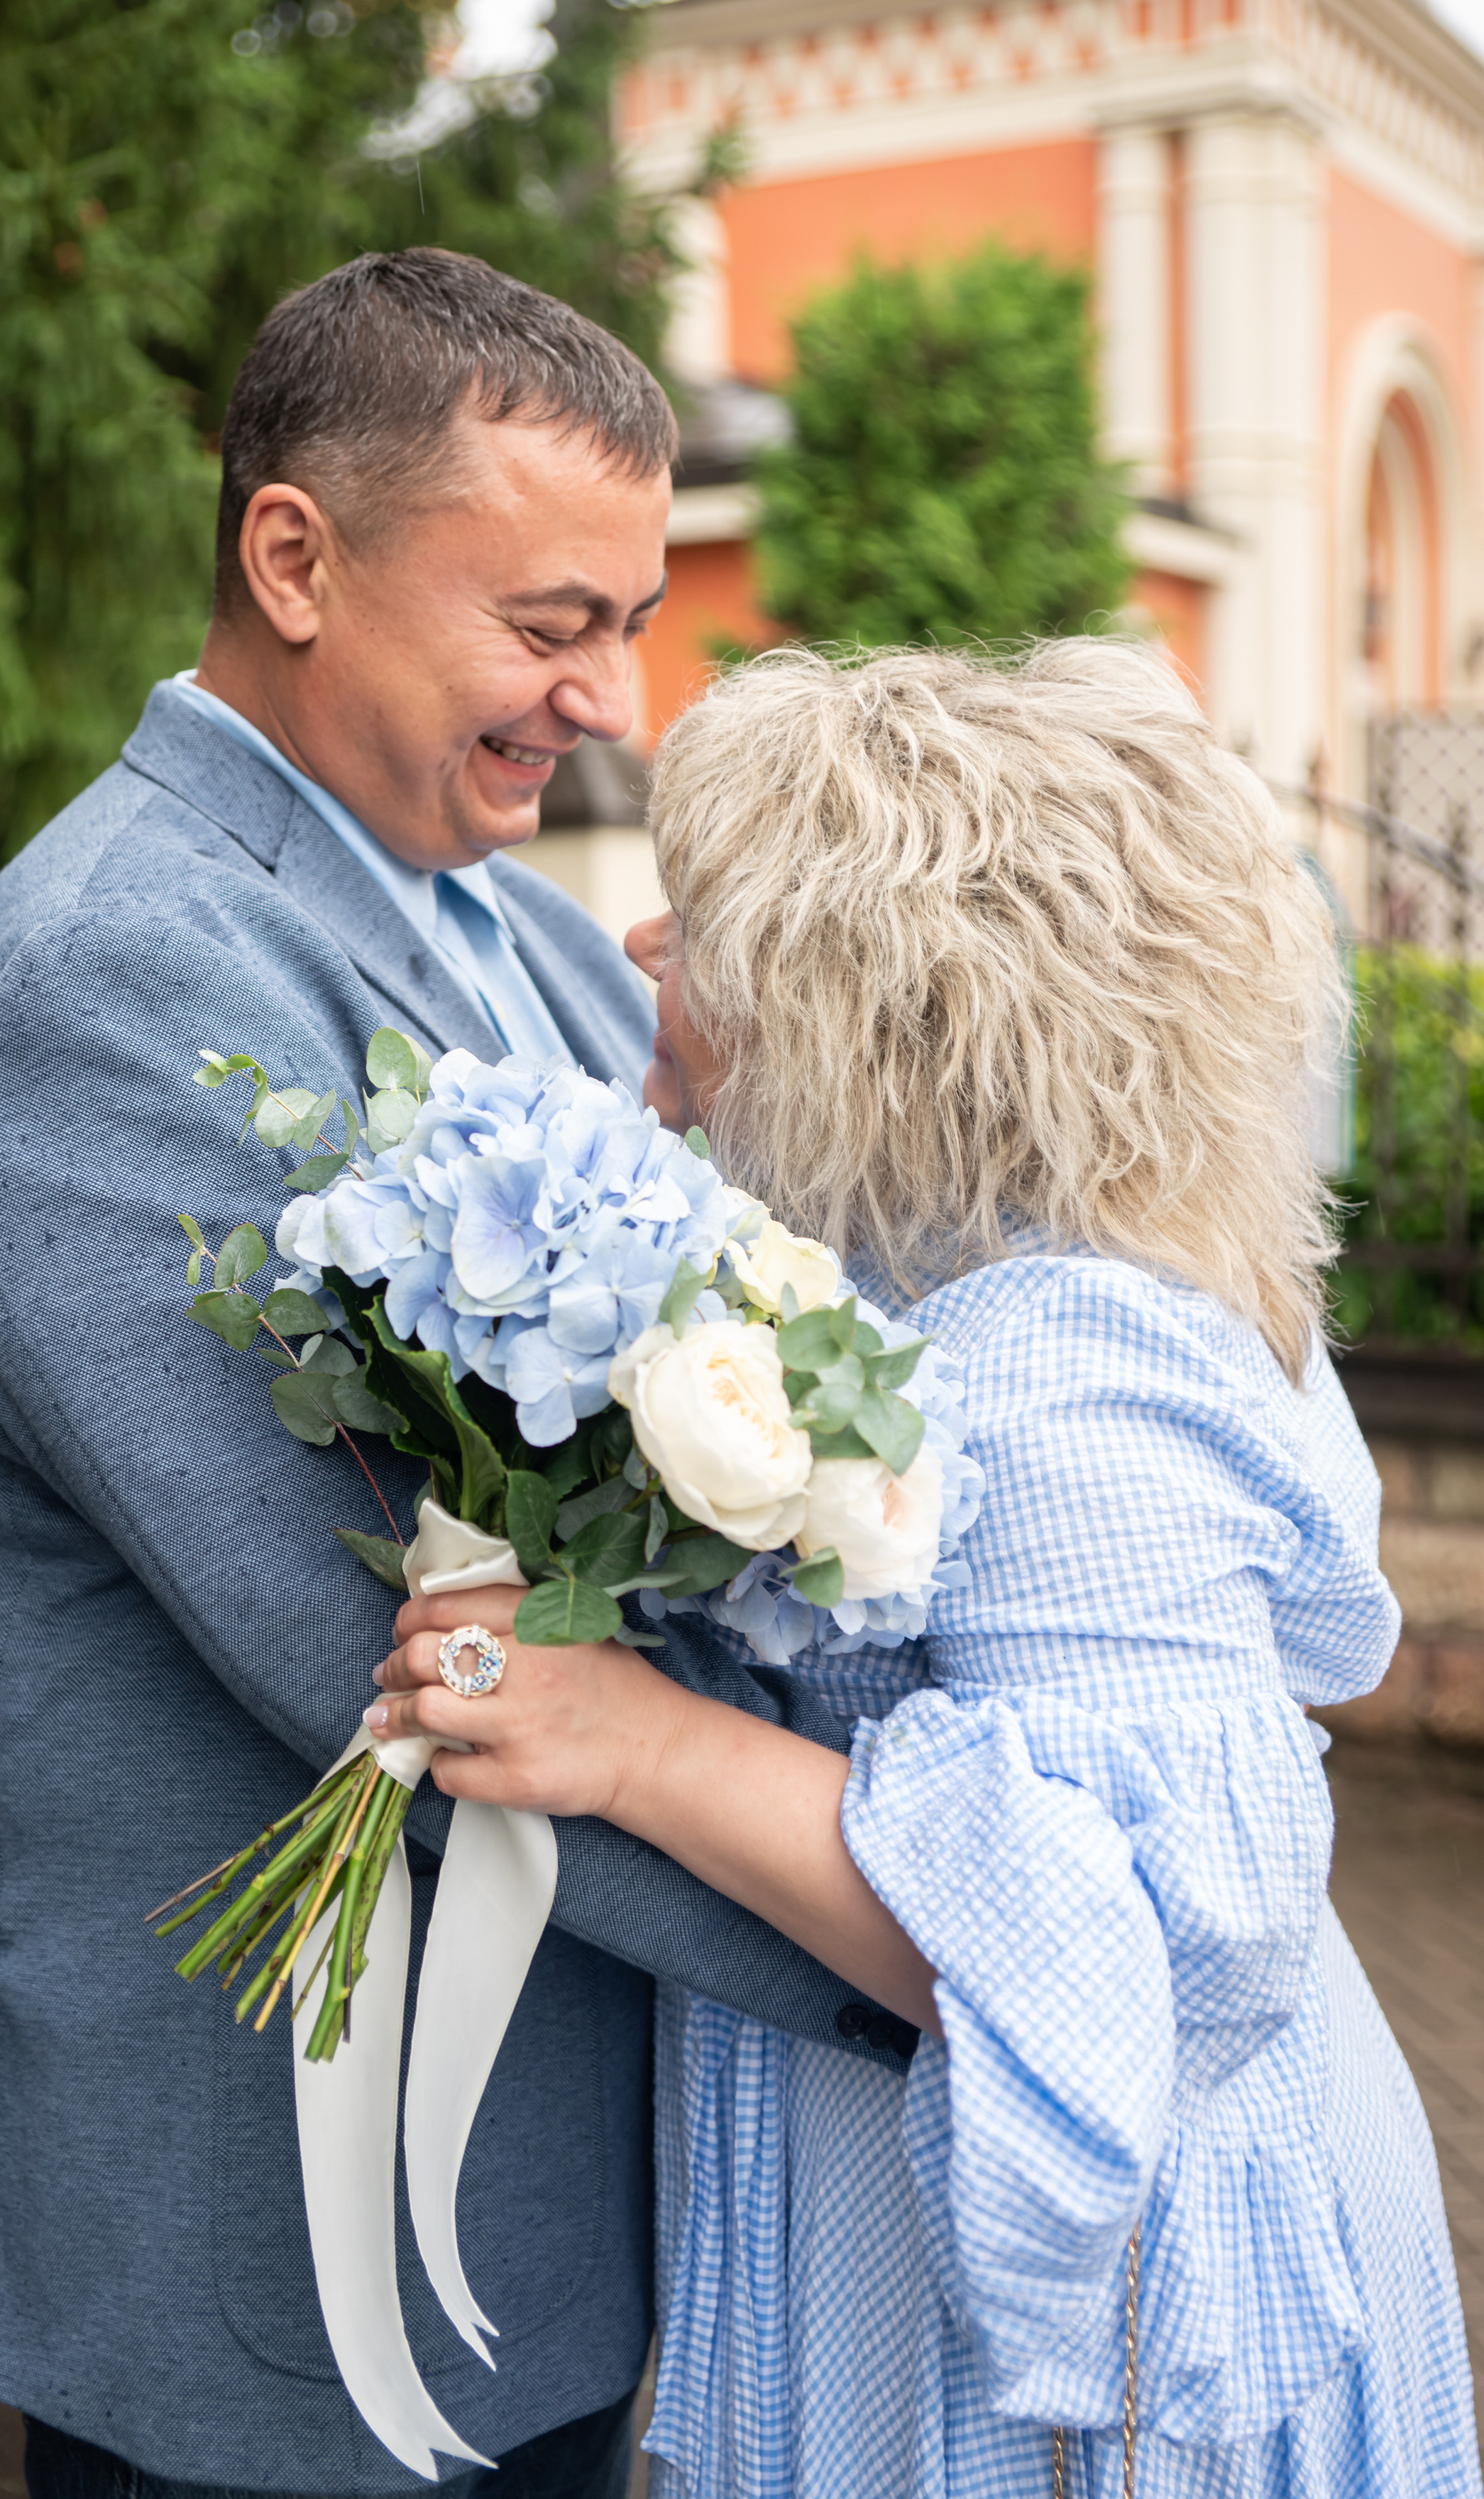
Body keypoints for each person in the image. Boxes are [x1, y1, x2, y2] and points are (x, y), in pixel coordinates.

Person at [0, 251, 916, 2499]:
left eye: (631, 623)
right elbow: (385, 1659)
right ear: (295, 559)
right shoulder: (108, 978)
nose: (609, 699)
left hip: (545, 2194)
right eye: (552, 622)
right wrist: (932, 1950)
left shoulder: (539, 935)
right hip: (260, 2217)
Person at [370, 641, 1483, 2498]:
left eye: (704, 928)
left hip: (1092, 2351)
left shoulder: (1067, 1353)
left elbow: (1135, 1960)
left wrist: (632, 1741)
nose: (639, 948)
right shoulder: (929, 1273)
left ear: (864, 1005)